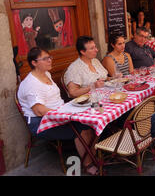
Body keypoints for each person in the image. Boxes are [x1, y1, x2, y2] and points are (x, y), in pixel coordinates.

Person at [19, 47, 98, 175]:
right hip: (41, 122)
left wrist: (67, 111)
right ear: (34, 63)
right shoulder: (30, 84)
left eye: (50, 57)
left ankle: (92, 156)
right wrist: (65, 115)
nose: (50, 60)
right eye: (45, 59)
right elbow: (39, 111)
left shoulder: (47, 74)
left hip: (59, 113)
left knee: (90, 122)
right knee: (80, 129)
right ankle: (88, 164)